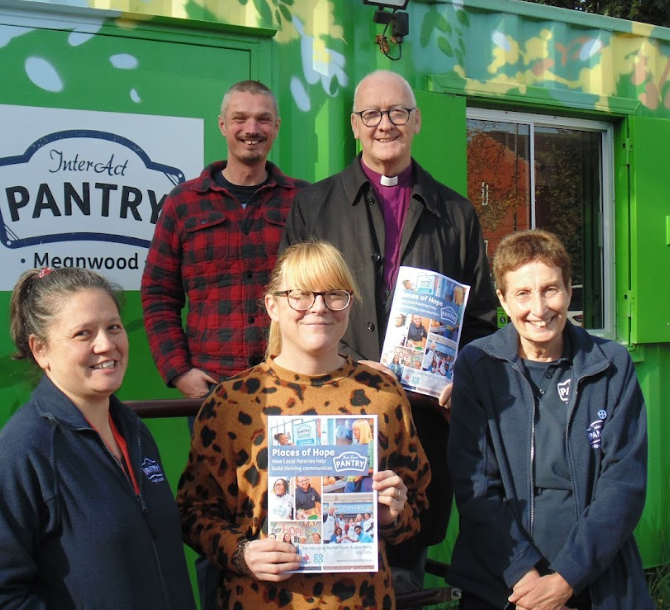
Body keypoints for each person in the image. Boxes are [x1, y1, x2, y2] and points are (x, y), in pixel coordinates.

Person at [280, 69, 499, 593]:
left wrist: (459, 377)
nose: (385, 124)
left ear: (416, 121)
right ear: (355, 126)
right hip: (330, 420)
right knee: (321, 573)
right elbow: (291, 308)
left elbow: (483, 320)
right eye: (372, 114)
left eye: (397, 112)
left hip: (417, 429)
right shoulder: (313, 206)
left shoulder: (456, 213)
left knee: (404, 578)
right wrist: (352, 363)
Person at [176, 240, 430, 610]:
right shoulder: (234, 401)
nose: (319, 308)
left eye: (334, 295)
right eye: (300, 295)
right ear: (272, 306)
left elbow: (417, 502)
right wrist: (242, 554)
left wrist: (393, 515)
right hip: (260, 600)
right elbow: (192, 511)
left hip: (363, 601)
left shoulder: (382, 393)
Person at [0, 267, 195, 610]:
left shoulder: (132, 430)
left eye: (113, 327)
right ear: (41, 350)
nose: (106, 344)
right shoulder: (21, 455)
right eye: (83, 333)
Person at [447, 230, 654, 610]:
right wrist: (525, 578)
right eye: (523, 294)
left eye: (550, 290)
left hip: (596, 580)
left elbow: (623, 485)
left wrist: (566, 580)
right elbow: (475, 486)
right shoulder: (478, 366)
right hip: (502, 585)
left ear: (569, 291)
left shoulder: (610, 365)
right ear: (502, 301)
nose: (538, 309)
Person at [141, 80, 308, 400]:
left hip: (290, 382)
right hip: (211, 388)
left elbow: (328, 289)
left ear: (277, 127)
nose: (251, 128)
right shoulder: (184, 203)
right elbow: (158, 294)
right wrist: (178, 371)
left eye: (263, 119)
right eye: (239, 118)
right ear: (222, 125)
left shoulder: (303, 200)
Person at [345, 418, 375, 492]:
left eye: (356, 430)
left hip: (367, 478)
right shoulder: (354, 444)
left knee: (366, 487)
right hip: (354, 478)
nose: (353, 432)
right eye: (353, 430)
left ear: (363, 431)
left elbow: (374, 468)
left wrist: (362, 472)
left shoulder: (371, 445)